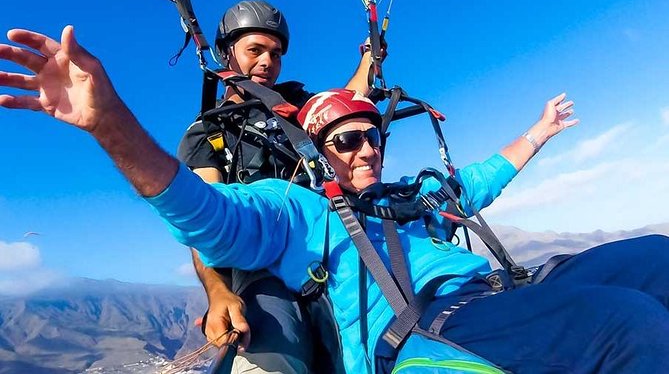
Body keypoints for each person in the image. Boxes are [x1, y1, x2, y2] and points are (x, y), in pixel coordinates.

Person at [2, 27, 669, 374]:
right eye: (345, 140)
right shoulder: (297, 211)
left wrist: (541, 130)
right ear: (320, 152)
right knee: (625, 321)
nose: (364, 149)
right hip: (424, 327)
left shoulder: (414, 196)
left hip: (502, 291)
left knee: (655, 260)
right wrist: (109, 122)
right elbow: (201, 213)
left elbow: (484, 176)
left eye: (371, 136)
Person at [177, 0, 373, 373]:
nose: (267, 61)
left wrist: (368, 61)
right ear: (226, 54)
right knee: (275, 356)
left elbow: (344, 108)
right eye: (255, 50)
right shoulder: (207, 134)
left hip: (327, 242)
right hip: (258, 263)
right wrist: (218, 293)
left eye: (275, 53)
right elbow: (202, 220)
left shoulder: (296, 108)